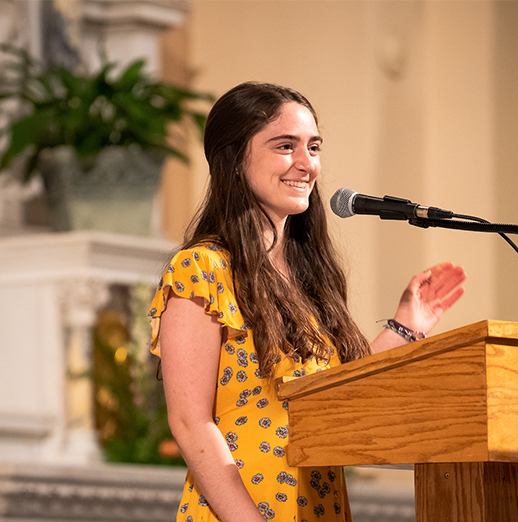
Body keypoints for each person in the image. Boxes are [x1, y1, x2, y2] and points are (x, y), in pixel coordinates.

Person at [148, 82, 466, 522]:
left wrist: (406, 325)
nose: (307, 164)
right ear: (234, 158)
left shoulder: (310, 277)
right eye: (285, 146)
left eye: (313, 147)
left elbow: (336, 399)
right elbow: (190, 423)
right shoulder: (201, 268)